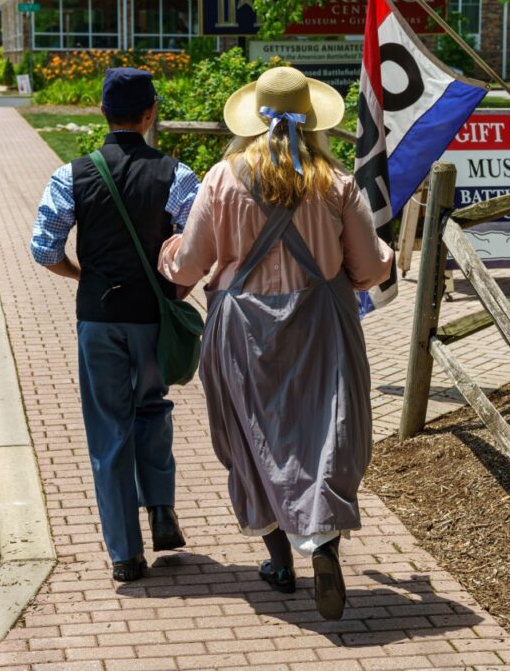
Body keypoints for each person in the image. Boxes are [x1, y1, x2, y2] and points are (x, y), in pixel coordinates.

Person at [158, 67, 393, 620]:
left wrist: (168, 251)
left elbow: (187, 266)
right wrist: (384, 255)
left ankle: (279, 560)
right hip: (321, 325)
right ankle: (325, 544)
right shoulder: (335, 183)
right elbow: (366, 270)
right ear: (313, 122)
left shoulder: (222, 178)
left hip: (241, 330)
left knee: (249, 438)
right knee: (327, 436)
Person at [30, 68, 199, 582]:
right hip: (153, 318)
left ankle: (125, 554)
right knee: (153, 407)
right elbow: (194, 251)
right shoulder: (178, 175)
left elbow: (44, 249)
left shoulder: (70, 175)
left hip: (99, 319)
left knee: (109, 430)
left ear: (102, 113)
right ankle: (162, 508)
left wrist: (82, 275)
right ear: (151, 115)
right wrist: (176, 290)